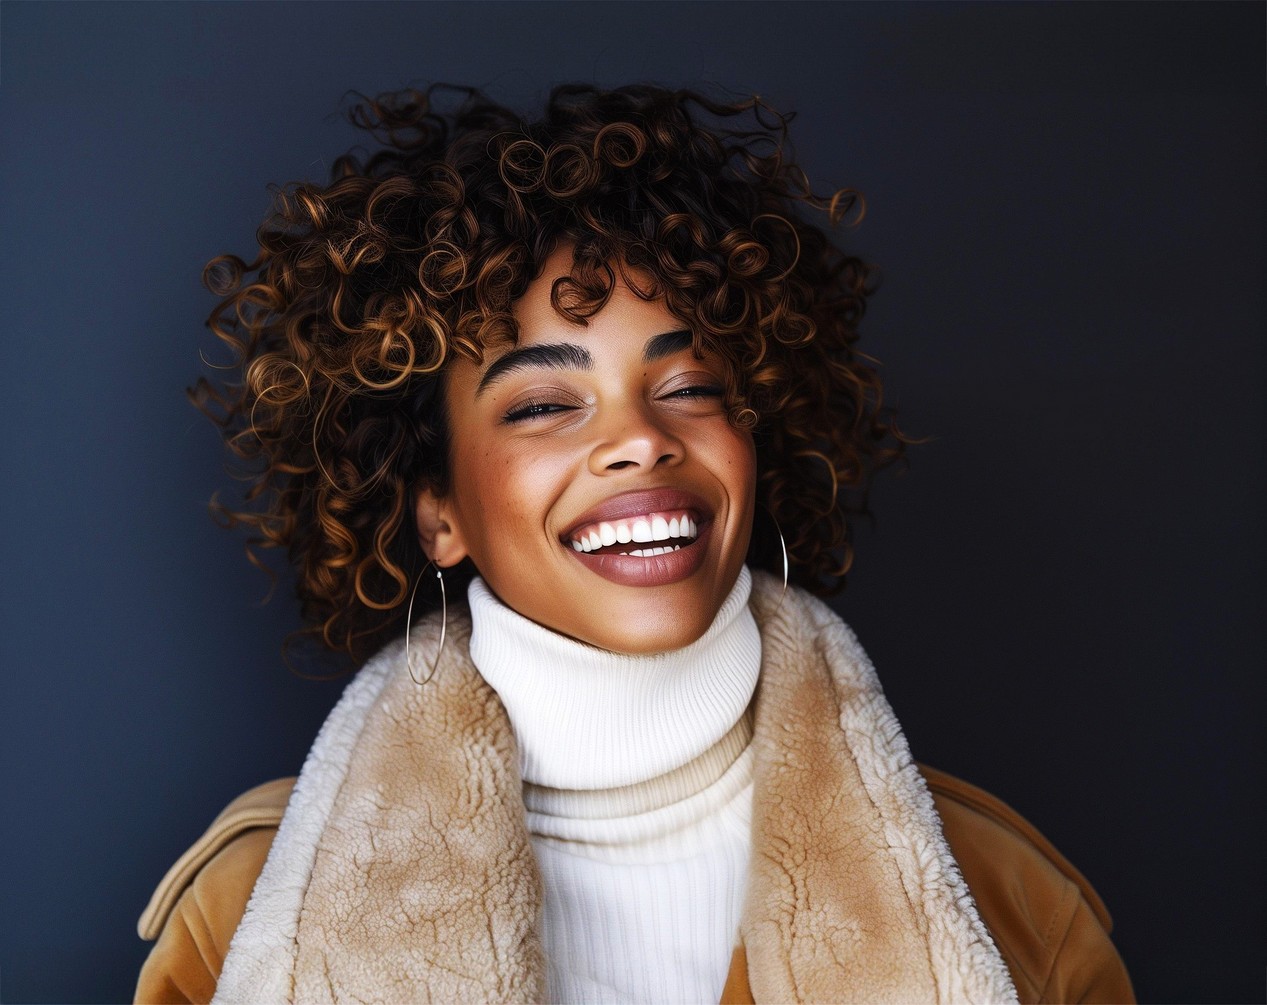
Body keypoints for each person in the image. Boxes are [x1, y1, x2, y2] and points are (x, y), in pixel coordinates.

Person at [135, 84, 1132, 1004]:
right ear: (437, 509)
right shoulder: (251, 916)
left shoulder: (1007, 902)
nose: (641, 438)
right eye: (542, 403)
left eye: (691, 387)